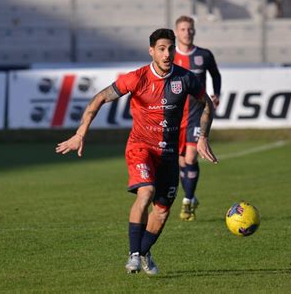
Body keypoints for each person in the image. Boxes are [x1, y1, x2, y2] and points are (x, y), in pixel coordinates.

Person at [56, 28, 218, 275]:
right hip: (140, 147)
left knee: (162, 212)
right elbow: (99, 98)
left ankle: (143, 253)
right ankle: (133, 255)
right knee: (146, 193)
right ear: (151, 51)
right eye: (161, 49)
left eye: (170, 48)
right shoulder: (137, 78)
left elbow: (206, 104)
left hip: (169, 154)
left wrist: (203, 136)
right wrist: (81, 132)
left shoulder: (185, 78)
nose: (167, 54)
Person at [173, 16, 221, 221]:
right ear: (176, 32)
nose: (187, 32)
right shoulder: (169, 56)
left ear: (194, 31)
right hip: (174, 115)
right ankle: (191, 197)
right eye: (183, 29)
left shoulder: (204, 55)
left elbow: (215, 74)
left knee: (191, 157)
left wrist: (216, 93)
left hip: (196, 114)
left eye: (190, 29)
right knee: (182, 161)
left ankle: (188, 201)